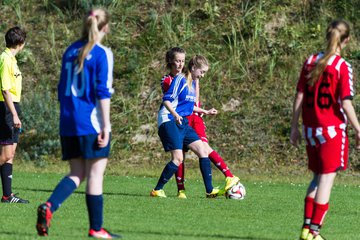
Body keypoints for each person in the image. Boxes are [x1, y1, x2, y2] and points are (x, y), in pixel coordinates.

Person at [36, 8, 120, 238]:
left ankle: (49, 206)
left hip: (69, 121)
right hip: (91, 122)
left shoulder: (70, 50)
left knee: (76, 172)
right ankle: (96, 228)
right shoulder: (102, 53)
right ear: (106, 28)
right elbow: (103, 92)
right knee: (95, 174)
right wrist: (106, 126)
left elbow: (61, 88)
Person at [290, 19, 360, 240]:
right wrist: (359, 128)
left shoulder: (310, 61)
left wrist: (294, 126)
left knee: (317, 178)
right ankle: (315, 232)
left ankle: (306, 228)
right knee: (326, 180)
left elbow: (300, 95)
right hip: (331, 130)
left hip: (311, 129)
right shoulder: (342, 66)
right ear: (346, 40)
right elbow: (346, 103)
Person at [161, 47, 240, 199]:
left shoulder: (192, 79)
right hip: (178, 119)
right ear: (171, 61)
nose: (180, 64)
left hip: (193, 118)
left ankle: (226, 178)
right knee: (179, 156)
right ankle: (181, 190)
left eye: (182, 61)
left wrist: (203, 111)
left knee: (203, 148)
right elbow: (173, 100)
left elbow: (193, 100)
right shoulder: (170, 80)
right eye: (177, 61)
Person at [151, 55, 222, 198]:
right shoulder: (180, 79)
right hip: (169, 119)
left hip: (181, 121)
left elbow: (189, 107)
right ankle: (157, 190)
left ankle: (210, 191)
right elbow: (166, 100)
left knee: (202, 151)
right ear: (194, 68)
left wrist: (205, 111)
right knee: (178, 158)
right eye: (201, 72)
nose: (202, 76)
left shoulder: (193, 83)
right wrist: (175, 115)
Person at [0, 26, 29, 204]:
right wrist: (14, 114)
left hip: (13, 108)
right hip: (5, 108)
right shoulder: (5, 59)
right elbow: (4, 89)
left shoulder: (12, 59)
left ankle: (7, 196)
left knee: (10, 155)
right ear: (20, 43)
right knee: (4, 154)